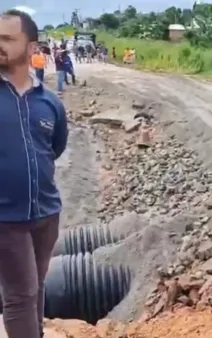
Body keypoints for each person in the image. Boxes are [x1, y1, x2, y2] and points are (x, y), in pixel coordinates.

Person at [0, 9, 69, 338]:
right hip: (5, 217)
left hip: (45, 213)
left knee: (36, 286)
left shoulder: (50, 103)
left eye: (7, 39)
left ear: (31, 48)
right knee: (20, 294)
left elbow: (54, 148)